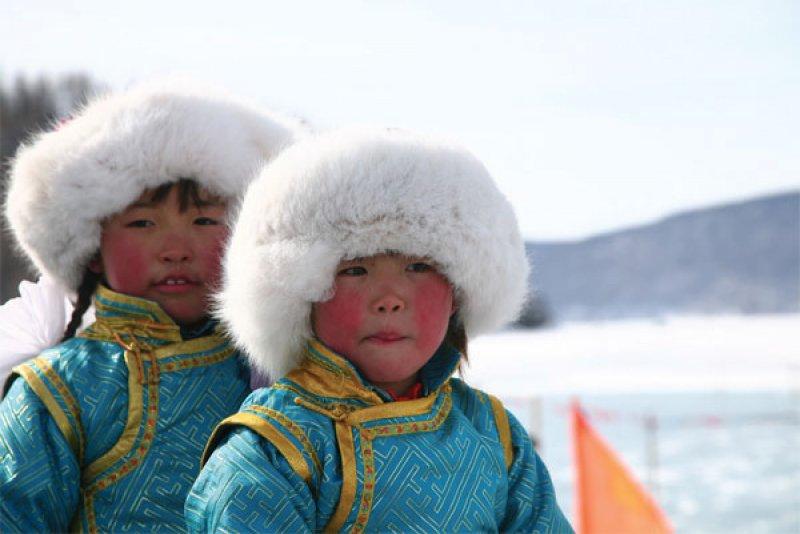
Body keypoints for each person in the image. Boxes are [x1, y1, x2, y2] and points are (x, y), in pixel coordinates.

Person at [186, 128, 573, 532]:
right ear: (301, 292)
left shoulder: (492, 433)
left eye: (418, 267)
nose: (389, 298)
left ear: (459, 290)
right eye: (355, 270)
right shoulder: (275, 447)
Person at [0, 80, 303, 531]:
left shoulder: (281, 369)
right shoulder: (61, 388)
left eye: (203, 220)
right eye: (143, 222)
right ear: (94, 247)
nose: (175, 248)